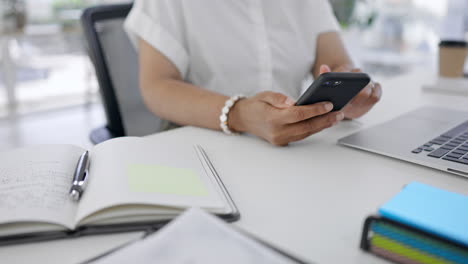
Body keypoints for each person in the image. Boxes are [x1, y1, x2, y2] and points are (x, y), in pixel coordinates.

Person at [124, 0, 382, 146]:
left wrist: (348, 95)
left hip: (292, 151)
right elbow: (157, 87)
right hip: (200, 149)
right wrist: (239, 114)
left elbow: (335, 62)